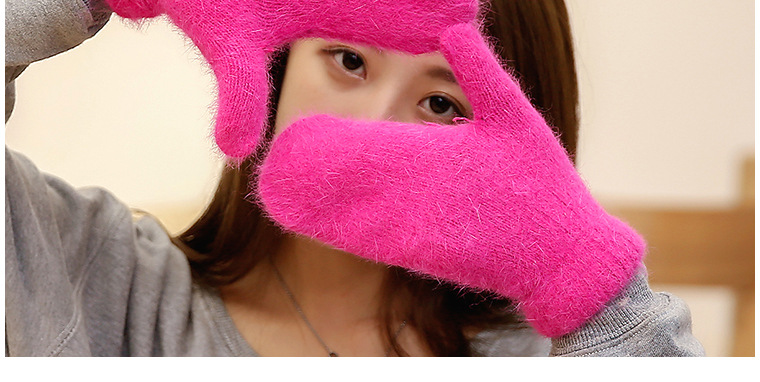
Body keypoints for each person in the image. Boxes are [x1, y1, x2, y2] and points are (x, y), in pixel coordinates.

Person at [5, 0, 705, 357]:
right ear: (279, 62)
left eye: (441, 104)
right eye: (349, 60)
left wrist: (587, 278)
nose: (373, 125)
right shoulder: (92, 277)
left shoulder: (551, 362)